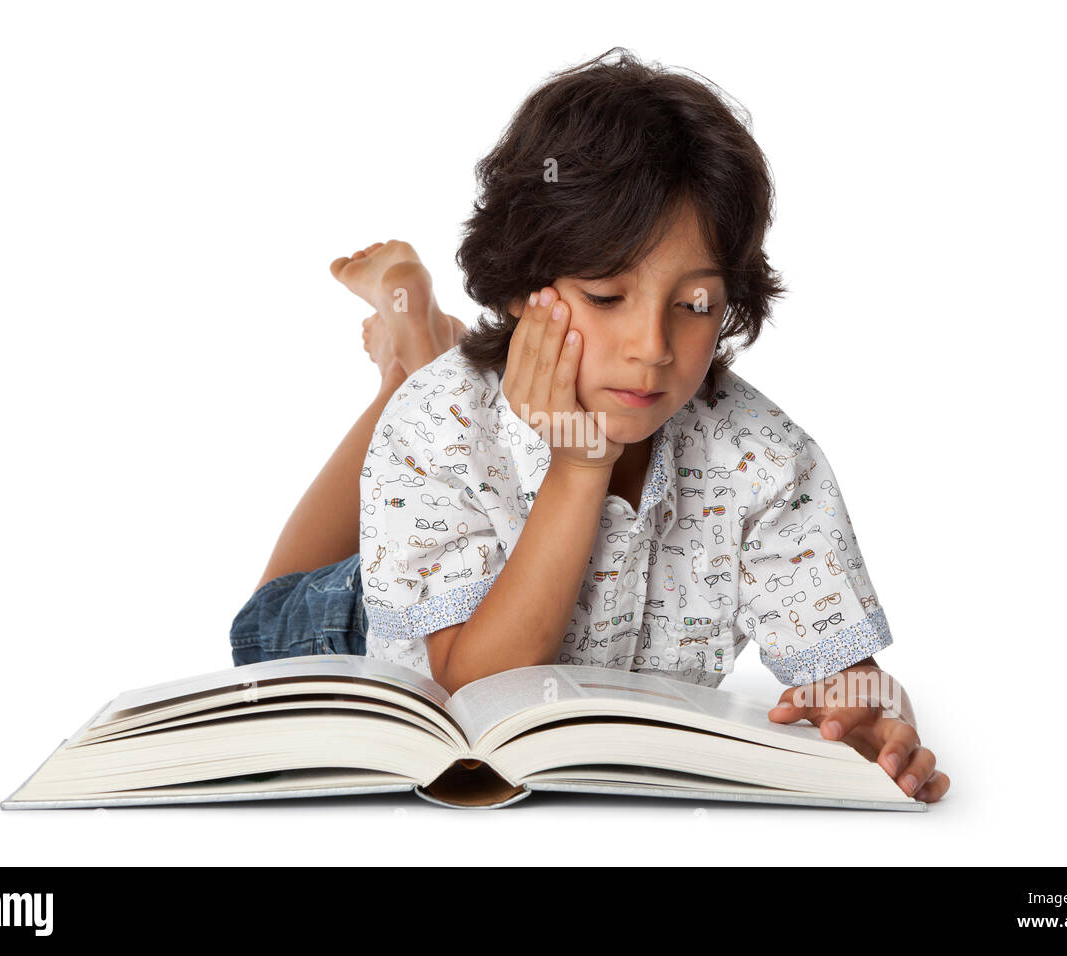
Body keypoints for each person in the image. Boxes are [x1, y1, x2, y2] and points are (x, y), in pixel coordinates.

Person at [228, 49, 949, 803]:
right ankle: (406, 367)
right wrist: (580, 464)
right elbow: (476, 687)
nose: (652, 348)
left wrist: (867, 710)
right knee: (263, 616)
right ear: (519, 288)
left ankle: (419, 347)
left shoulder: (765, 459)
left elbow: (838, 660)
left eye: (695, 303)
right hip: (373, 619)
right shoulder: (442, 427)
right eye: (606, 296)